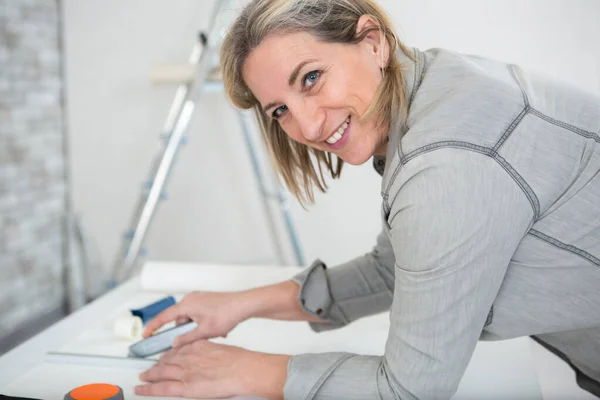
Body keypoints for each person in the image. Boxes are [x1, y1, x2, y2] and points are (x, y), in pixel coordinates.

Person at [134, 0, 600, 399]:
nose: (309, 128)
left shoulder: (445, 163)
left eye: (311, 78)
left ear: (372, 41)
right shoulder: (440, 86)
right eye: (280, 111)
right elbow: (394, 267)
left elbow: (408, 390)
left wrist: (243, 369)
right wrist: (240, 304)